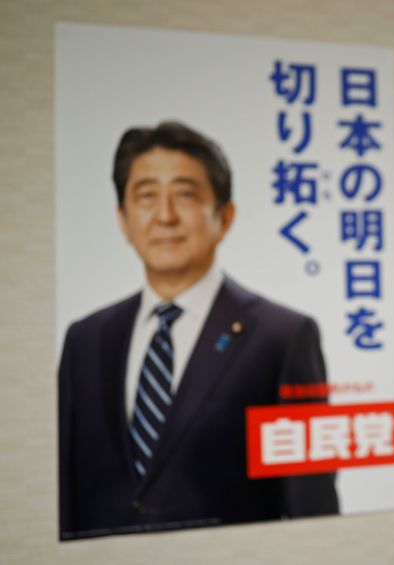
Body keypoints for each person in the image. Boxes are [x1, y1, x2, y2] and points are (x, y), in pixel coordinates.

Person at [58, 121, 338, 540]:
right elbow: (65, 494)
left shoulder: (282, 337)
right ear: (123, 219)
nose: (165, 216)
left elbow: (311, 511)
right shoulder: (85, 339)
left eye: (185, 194)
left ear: (225, 216)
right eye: (146, 196)